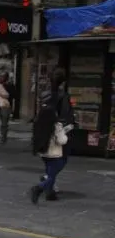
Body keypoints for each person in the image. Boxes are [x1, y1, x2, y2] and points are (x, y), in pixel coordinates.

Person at [30, 70, 74, 204]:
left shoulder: (44, 94)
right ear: (64, 81)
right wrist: (67, 127)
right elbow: (65, 116)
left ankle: (49, 189)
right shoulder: (63, 96)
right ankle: (43, 185)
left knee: (49, 161)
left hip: (42, 131)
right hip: (56, 130)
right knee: (60, 161)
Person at [0, 71, 16, 144]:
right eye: (1, 76)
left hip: (6, 106)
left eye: (3, 76)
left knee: (4, 123)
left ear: (6, 77)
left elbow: (13, 95)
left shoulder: (10, 85)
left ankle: (3, 137)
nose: (1, 78)